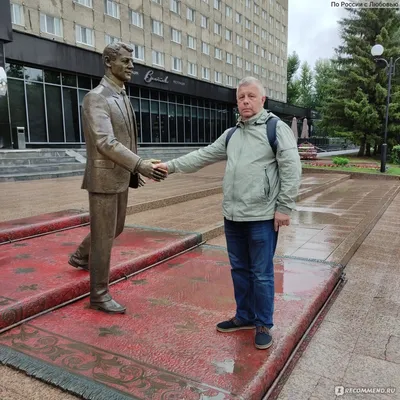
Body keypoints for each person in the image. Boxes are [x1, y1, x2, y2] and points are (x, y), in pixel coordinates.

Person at [154, 77, 302, 349]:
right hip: (233, 217)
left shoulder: (276, 129)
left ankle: (263, 323)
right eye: (240, 97)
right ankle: (244, 316)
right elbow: (203, 155)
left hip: (262, 217)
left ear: (262, 99)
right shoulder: (232, 134)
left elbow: (292, 169)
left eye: (250, 96)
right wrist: (170, 166)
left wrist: (284, 208)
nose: (245, 101)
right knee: (240, 270)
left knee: (261, 273)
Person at [68, 42, 167, 314]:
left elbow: (126, 138)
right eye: (125, 61)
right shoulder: (96, 97)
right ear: (109, 62)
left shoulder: (121, 95)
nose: (131, 66)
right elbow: (105, 142)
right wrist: (139, 165)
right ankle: (99, 295)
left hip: (120, 175)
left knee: (114, 229)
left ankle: (79, 256)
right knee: (103, 236)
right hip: (102, 179)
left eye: (131, 61)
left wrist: (135, 167)